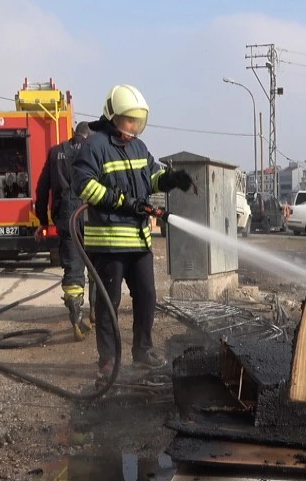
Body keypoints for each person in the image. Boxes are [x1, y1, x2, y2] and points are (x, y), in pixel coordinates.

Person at [72, 84, 194, 375]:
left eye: (138, 121)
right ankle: (108, 359)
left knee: (147, 296)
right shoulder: (95, 146)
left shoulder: (138, 147)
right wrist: (122, 202)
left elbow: (151, 176)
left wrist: (171, 179)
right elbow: (84, 185)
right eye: (130, 120)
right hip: (108, 242)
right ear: (113, 116)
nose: (135, 126)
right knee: (108, 303)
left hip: (139, 242)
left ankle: (143, 350)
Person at [35, 120, 93, 340]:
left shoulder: (56, 152)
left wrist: (42, 219)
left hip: (66, 215)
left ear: (74, 133)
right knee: (96, 266)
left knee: (73, 267)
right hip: (91, 213)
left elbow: (42, 188)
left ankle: (76, 316)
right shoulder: (95, 149)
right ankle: (95, 313)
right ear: (89, 136)